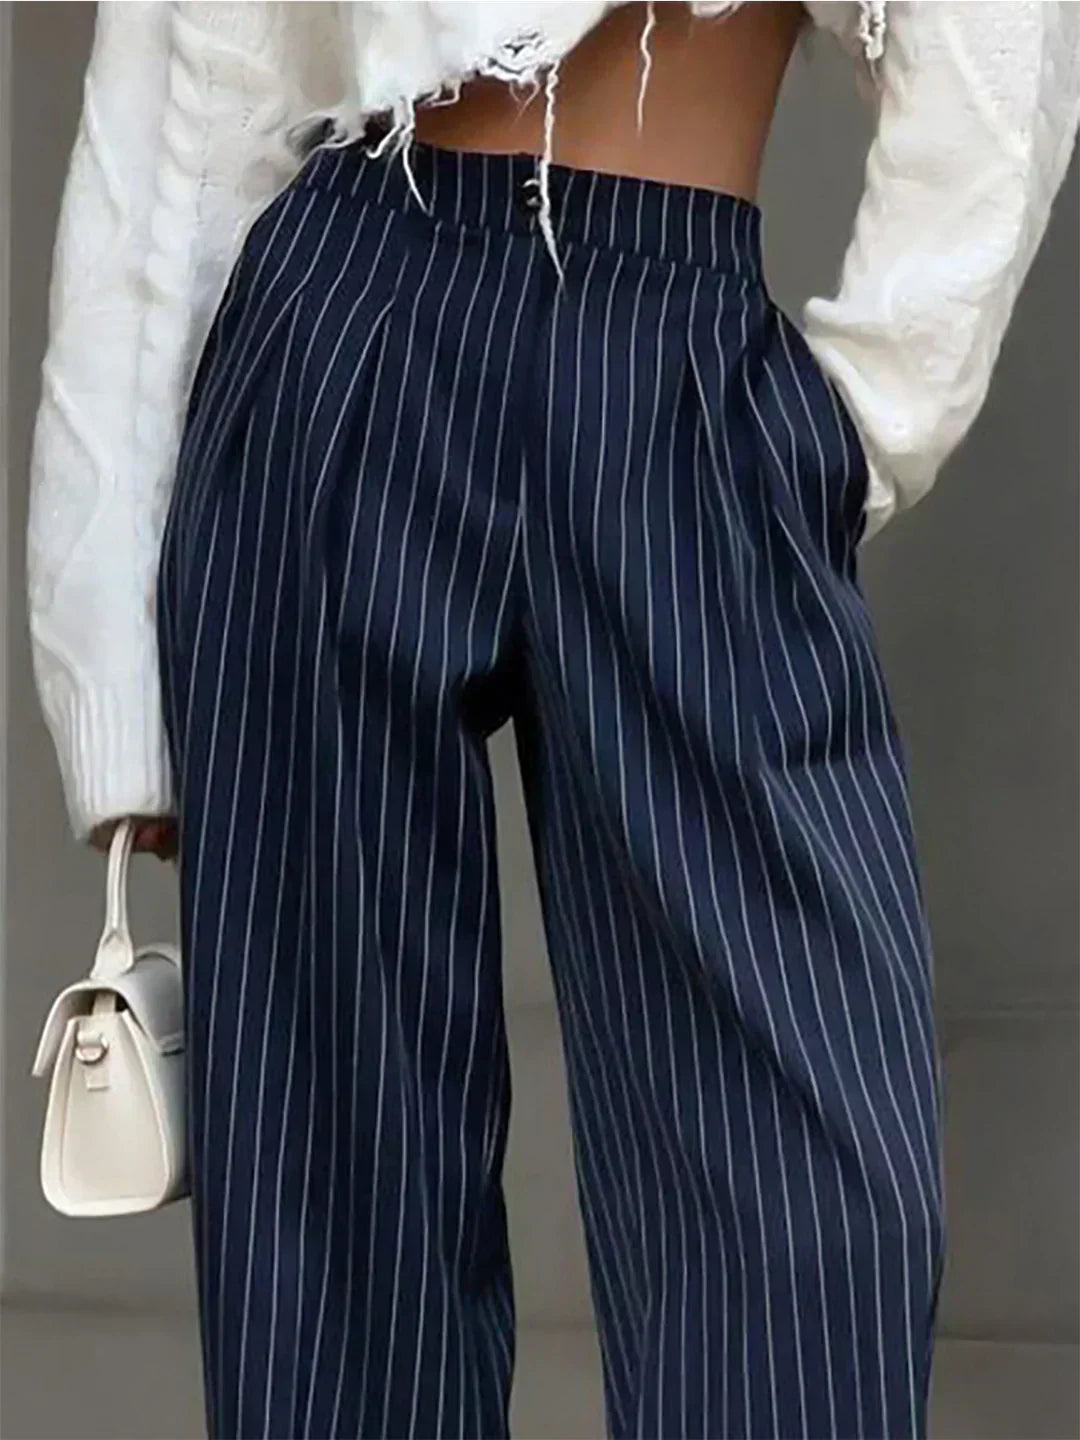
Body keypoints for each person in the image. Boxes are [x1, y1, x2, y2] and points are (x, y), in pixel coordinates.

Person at [27, 4, 1080, 1437]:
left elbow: (997, 42)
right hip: (342, 323)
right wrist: (110, 657)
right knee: (335, 1220)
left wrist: (854, 429)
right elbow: (187, 70)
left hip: (678, 359)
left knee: (810, 1221)